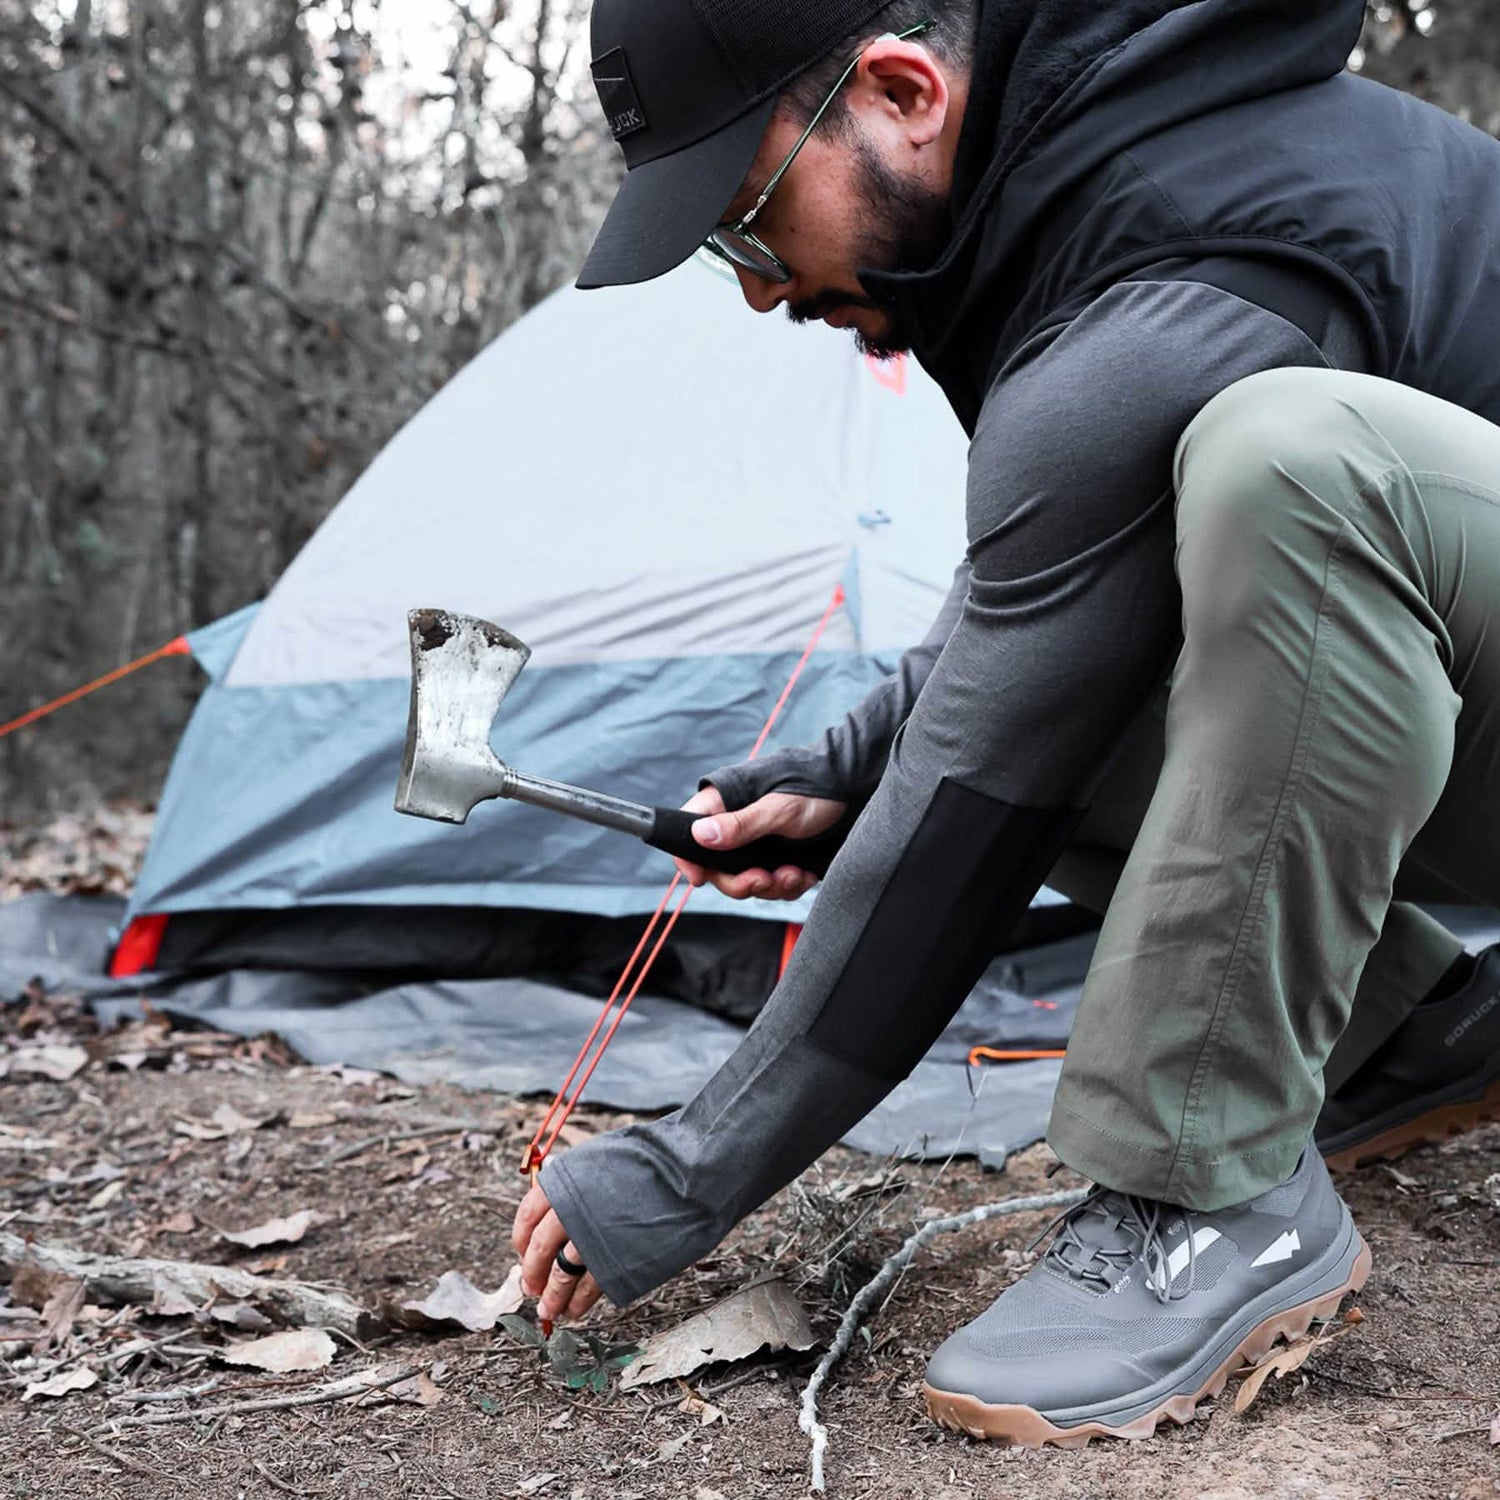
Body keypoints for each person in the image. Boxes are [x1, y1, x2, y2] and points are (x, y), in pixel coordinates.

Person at [513, 0, 1500, 1445]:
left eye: (748, 223)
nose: (759, 290)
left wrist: (685, 1175)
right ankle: (1413, 1033)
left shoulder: (1185, 230)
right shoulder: (1098, 183)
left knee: (1291, 468)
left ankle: (1204, 1193)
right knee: (1163, 588)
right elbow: (1035, 624)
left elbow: (980, 785)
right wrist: (850, 769)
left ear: (904, 91)